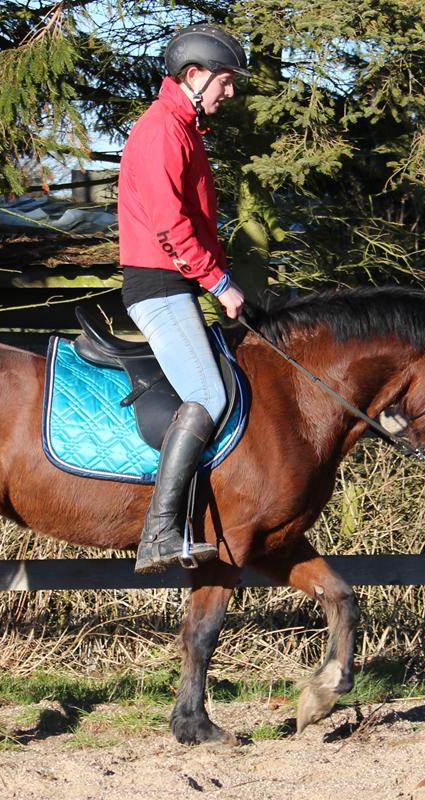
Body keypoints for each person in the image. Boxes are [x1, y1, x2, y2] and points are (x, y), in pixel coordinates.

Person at [117, 23, 250, 574]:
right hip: (161, 286)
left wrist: (216, 279)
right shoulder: (162, 131)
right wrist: (218, 282)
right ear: (193, 76)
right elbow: (171, 226)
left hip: (178, 286)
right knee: (207, 393)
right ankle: (159, 534)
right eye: (224, 81)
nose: (230, 92)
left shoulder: (184, 128)